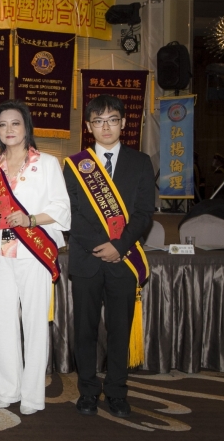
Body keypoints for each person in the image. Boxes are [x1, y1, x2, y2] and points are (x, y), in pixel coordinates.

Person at [63, 95, 154, 418]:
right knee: (84, 330)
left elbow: (144, 213)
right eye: (98, 121)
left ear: (123, 123)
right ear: (88, 127)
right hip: (86, 260)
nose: (106, 127)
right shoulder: (75, 164)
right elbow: (71, 213)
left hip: (123, 260)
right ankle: (87, 390)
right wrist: (100, 245)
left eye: (112, 120)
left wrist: (120, 246)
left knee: (119, 330)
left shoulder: (140, 162)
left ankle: (116, 391)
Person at [0, 101, 70, 415]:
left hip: (35, 251)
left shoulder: (47, 163)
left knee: (34, 324)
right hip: (2, 251)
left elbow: (62, 208)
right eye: (2, 124)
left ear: (26, 126)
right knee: (2, 322)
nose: (9, 130)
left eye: (15, 123)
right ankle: (7, 389)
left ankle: (32, 396)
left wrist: (29, 219)